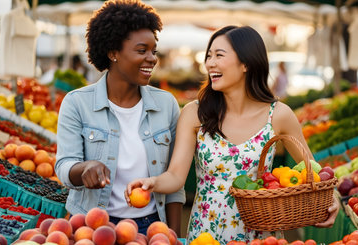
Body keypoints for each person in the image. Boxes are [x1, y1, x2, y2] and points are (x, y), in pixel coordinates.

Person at [125, 25, 339, 243]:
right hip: (208, 233)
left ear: (246, 63)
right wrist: (152, 183)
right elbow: (176, 176)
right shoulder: (194, 114)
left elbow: (314, 173)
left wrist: (332, 200)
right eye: (209, 56)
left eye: (219, 55)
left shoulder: (279, 115)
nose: (210, 63)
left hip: (261, 236)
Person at [55, 0, 185, 235]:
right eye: (141, 50)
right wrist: (85, 167)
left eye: (153, 51)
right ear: (113, 52)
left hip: (152, 227)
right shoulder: (77, 103)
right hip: (93, 225)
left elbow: (174, 183)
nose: (152, 58)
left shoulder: (166, 105)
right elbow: (64, 166)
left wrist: (173, 236)